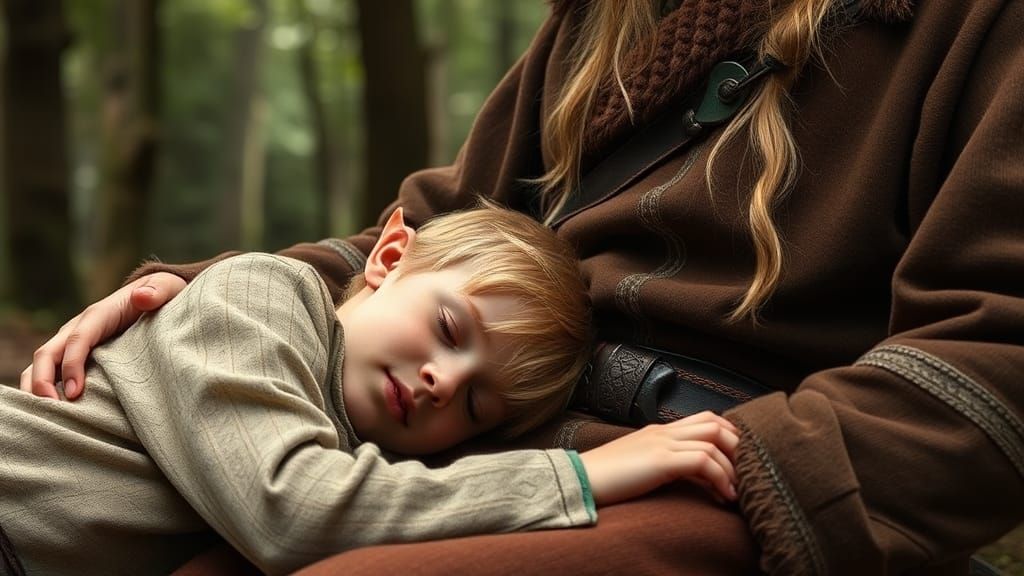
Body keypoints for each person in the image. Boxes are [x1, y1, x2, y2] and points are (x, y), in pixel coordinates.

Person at [21, 0, 1024, 574]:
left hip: (722, 474)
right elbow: (445, 221)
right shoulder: (615, 13)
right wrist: (227, 301)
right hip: (502, 456)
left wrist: (751, 477)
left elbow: (995, 360)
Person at [0, 204, 741, 575]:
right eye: (450, 328)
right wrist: (582, 475)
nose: (442, 383)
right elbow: (292, 509)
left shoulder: (358, 449)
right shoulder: (259, 296)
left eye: (477, 404)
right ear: (389, 255)